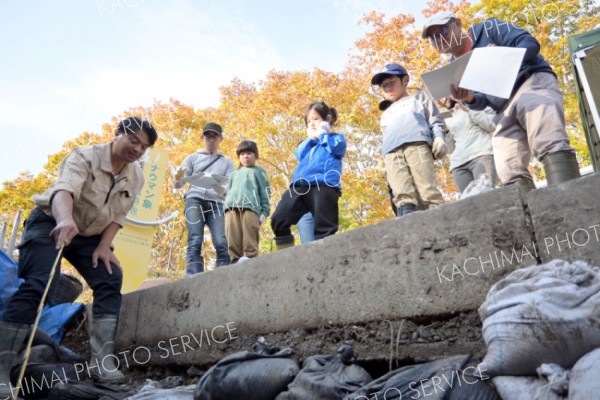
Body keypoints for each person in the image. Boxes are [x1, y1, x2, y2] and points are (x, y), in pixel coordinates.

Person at [0, 117, 158, 392]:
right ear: (118, 134)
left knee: (110, 277)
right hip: (51, 222)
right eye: (133, 140)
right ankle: (2, 365)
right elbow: (64, 191)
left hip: (89, 236)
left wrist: (103, 246)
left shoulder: (137, 175)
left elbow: (119, 215)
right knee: (39, 284)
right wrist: (64, 220)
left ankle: (101, 361)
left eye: (143, 147)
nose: (137, 149)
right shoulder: (85, 157)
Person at [422, 11, 580, 192]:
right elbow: (482, 102)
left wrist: (500, 56)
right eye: (432, 38)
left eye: (442, 32)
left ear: (458, 24)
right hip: (501, 108)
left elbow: (530, 44)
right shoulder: (455, 68)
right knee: (507, 168)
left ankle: (569, 202)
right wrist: (467, 98)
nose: (439, 40)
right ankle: (533, 217)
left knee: (548, 140)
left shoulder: (489, 29)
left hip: (529, 82)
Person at [371, 63, 447, 217]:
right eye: (384, 86)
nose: (388, 88)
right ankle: (406, 217)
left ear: (404, 80)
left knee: (426, 187)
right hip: (391, 152)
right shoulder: (386, 112)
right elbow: (385, 134)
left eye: (392, 83)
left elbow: (435, 120)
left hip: (417, 144)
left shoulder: (419, 97)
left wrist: (439, 137)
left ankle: (441, 218)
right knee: (401, 192)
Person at [271, 102, 346, 250]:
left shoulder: (336, 138)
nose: (311, 123)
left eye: (315, 119)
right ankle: (285, 255)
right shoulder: (309, 144)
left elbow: (336, 149)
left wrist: (324, 134)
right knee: (278, 219)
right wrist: (312, 139)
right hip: (301, 185)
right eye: (308, 121)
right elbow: (299, 154)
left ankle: (325, 260)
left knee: (324, 228)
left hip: (324, 184)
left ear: (327, 120)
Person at [175, 122, 235, 275]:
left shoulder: (227, 162)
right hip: (194, 198)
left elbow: (230, 187)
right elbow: (179, 183)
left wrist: (217, 186)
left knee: (221, 240)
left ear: (221, 138)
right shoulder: (192, 158)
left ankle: (223, 272)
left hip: (216, 202)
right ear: (202, 137)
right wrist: (177, 178)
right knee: (195, 238)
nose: (211, 139)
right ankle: (192, 273)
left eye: (214, 136)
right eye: (208, 136)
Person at [224, 140, 270, 263]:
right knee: (232, 236)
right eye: (242, 154)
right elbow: (229, 190)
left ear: (256, 155)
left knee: (250, 234)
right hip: (231, 207)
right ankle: (234, 259)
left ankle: (250, 257)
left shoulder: (259, 172)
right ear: (239, 157)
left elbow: (265, 193)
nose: (246, 156)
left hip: (251, 207)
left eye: (249, 153)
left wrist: (264, 212)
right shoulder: (234, 174)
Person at [445, 99, 497, 192]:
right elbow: (450, 149)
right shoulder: (451, 116)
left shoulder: (482, 104)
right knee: (468, 202)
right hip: (458, 165)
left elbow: (490, 125)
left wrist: (469, 109)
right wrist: (446, 131)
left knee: (486, 195)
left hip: (481, 154)